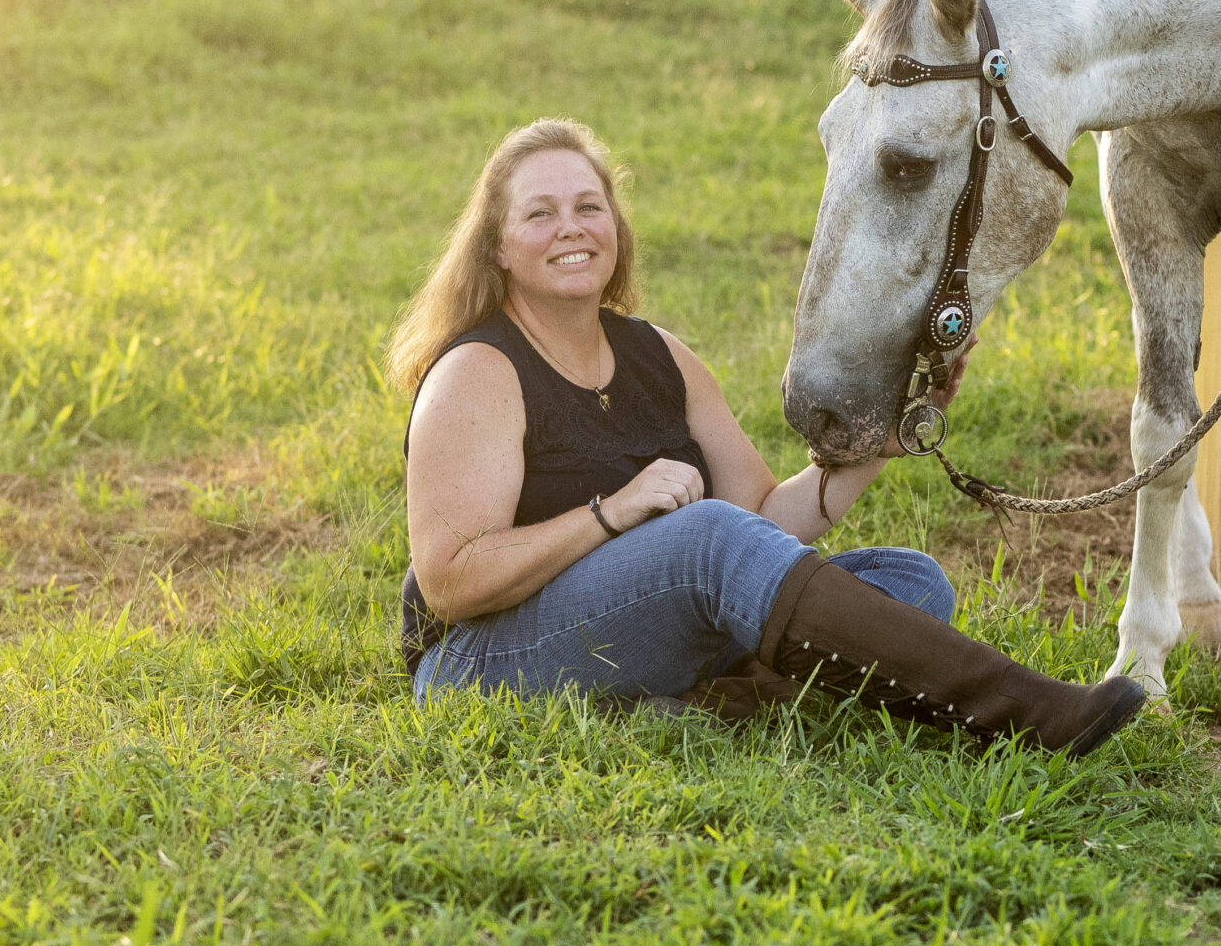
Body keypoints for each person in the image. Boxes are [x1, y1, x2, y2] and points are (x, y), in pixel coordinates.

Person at [391, 117, 1147, 755]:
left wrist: (879, 440)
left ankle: (695, 708)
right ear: (497, 246)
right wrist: (609, 513)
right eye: (540, 213)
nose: (571, 228)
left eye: (589, 206)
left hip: (642, 631)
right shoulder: (478, 371)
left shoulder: (660, 355)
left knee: (911, 581)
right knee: (706, 537)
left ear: (615, 227)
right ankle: (1023, 711)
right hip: (486, 661)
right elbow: (451, 579)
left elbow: (764, 521)